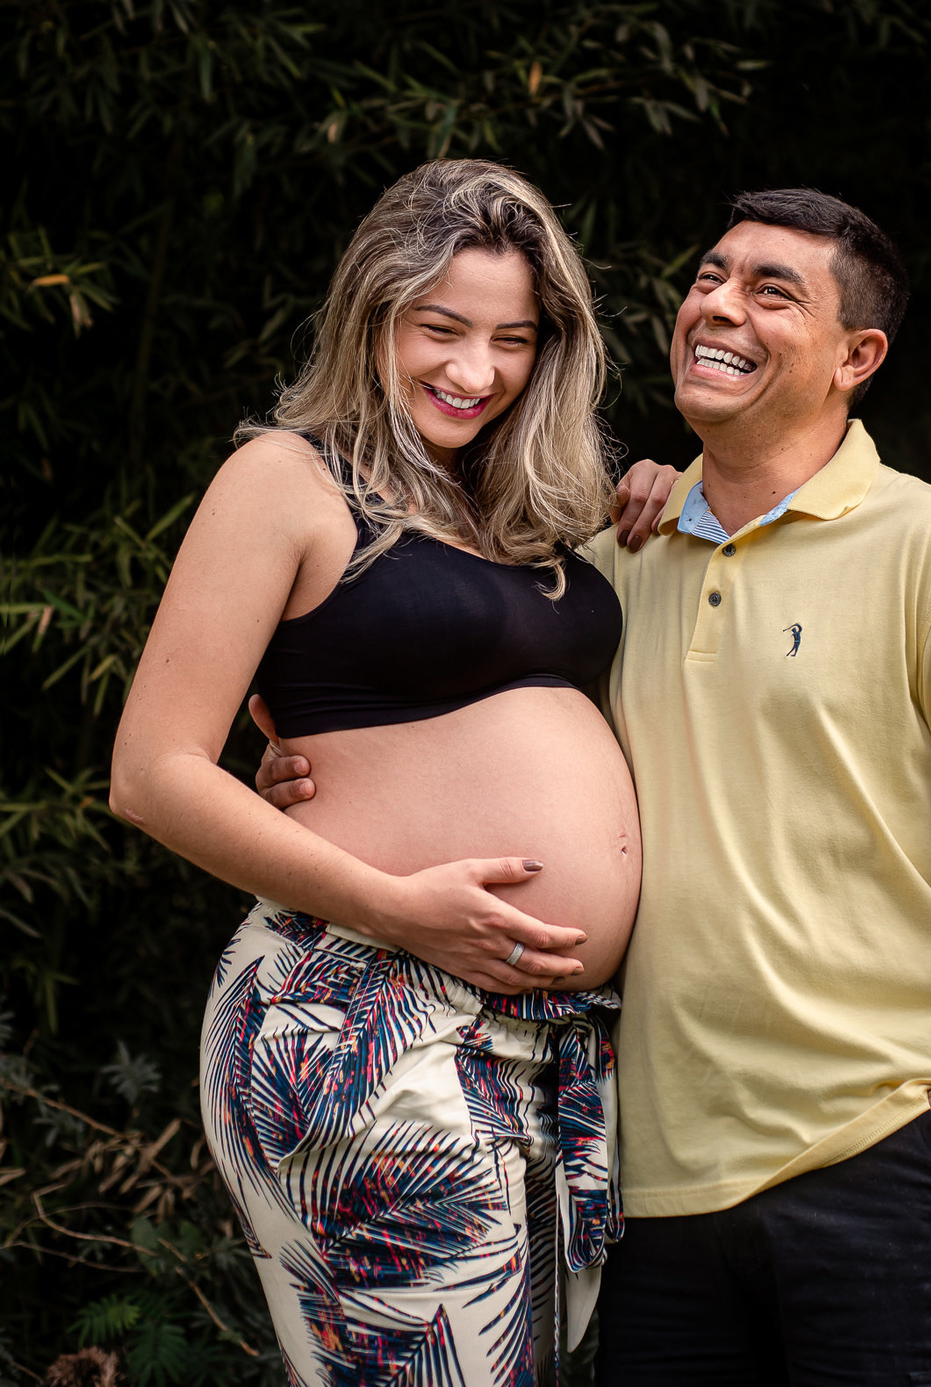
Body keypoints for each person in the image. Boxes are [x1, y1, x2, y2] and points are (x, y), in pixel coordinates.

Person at [262, 185, 931, 1386]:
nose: (720, 305)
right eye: (712, 275)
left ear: (858, 355)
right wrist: (315, 764)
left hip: (884, 1156)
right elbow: (442, 697)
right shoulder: (605, 561)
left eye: (773, 291)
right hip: (647, 1182)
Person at [110, 160, 645, 1387]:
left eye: (513, 339)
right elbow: (150, 770)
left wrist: (659, 495)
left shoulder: (521, 510)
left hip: (541, 1041)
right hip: (360, 1013)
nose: (475, 370)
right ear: (371, 313)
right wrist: (397, 901)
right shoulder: (287, 481)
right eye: (439, 327)